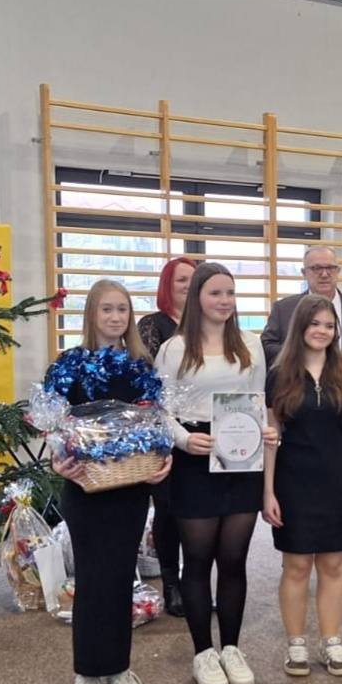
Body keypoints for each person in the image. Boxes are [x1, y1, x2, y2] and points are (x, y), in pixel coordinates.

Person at [44, 279, 172, 684]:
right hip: (85, 487)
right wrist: (57, 461)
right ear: (92, 315)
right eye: (107, 309)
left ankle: (119, 669)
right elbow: (52, 428)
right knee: (92, 579)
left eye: (122, 309)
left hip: (130, 490)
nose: (116, 317)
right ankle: (87, 674)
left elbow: (156, 425)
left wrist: (163, 458)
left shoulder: (140, 367)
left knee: (121, 579)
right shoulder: (68, 365)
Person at [155, 262, 278, 684]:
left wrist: (266, 432)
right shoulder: (174, 349)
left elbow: (259, 400)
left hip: (239, 457)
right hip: (195, 457)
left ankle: (231, 648)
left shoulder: (251, 344)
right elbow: (159, 408)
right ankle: (203, 653)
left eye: (230, 293)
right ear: (197, 298)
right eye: (215, 293)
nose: (224, 301)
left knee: (233, 560)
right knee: (198, 559)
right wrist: (184, 440)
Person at [261, 244, 342, 594]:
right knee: (298, 547)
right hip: (299, 407)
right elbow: (268, 345)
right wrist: (301, 358)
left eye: (330, 267)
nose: (324, 273)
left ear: (338, 270)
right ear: (304, 273)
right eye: (316, 268)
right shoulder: (285, 309)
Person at [263, 295, 342, 677]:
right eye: (315, 324)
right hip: (292, 481)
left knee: (333, 564)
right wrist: (267, 491)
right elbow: (271, 436)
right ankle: (296, 643)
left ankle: (331, 640)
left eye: (329, 325)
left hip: (337, 481)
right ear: (300, 327)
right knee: (296, 566)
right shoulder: (279, 374)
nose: (322, 331)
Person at [137, 256, 196, 617]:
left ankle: (195, 583)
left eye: (194, 279)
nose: (189, 286)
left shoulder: (210, 325)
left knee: (199, 514)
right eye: (181, 280)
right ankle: (171, 584)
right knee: (169, 510)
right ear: (167, 286)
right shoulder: (152, 325)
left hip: (201, 433)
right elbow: (149, 382)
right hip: (164, 430)